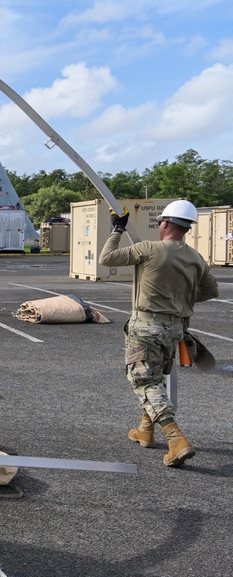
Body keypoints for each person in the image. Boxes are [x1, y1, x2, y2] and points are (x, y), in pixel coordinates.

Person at [98, 200, 219, 467]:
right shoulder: (196, 258)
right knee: (154, 377)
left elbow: (106, 259)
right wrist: (180, 301)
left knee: (144, 381)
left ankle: (176, 438)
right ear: (187, 228)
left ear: (164, 223)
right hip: (174, 328)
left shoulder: (149, 249)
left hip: (146, 327)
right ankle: (146, 429)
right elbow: (212, 291)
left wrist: (117, 229)